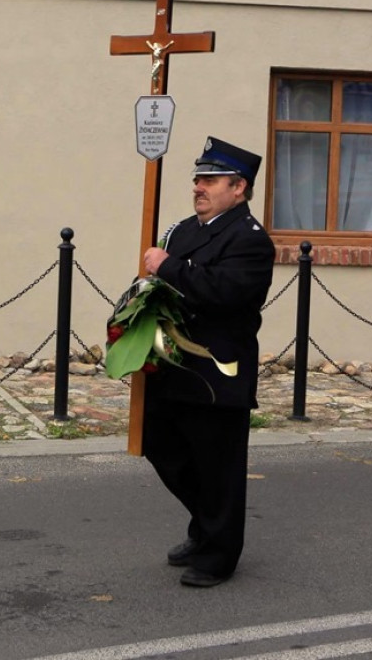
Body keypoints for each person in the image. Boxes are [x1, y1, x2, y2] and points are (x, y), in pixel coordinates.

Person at [141, 136, 275, 587]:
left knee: (218, 466)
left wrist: (167, 268)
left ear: (238, 188)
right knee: (161, 448)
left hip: (219, 372)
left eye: (209, 179)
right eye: (197, 178)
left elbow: (224, 293)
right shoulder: (182, 231)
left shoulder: (251, 240)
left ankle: (218, 554)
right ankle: (205, 525)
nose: (198, 186)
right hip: (174, 366)